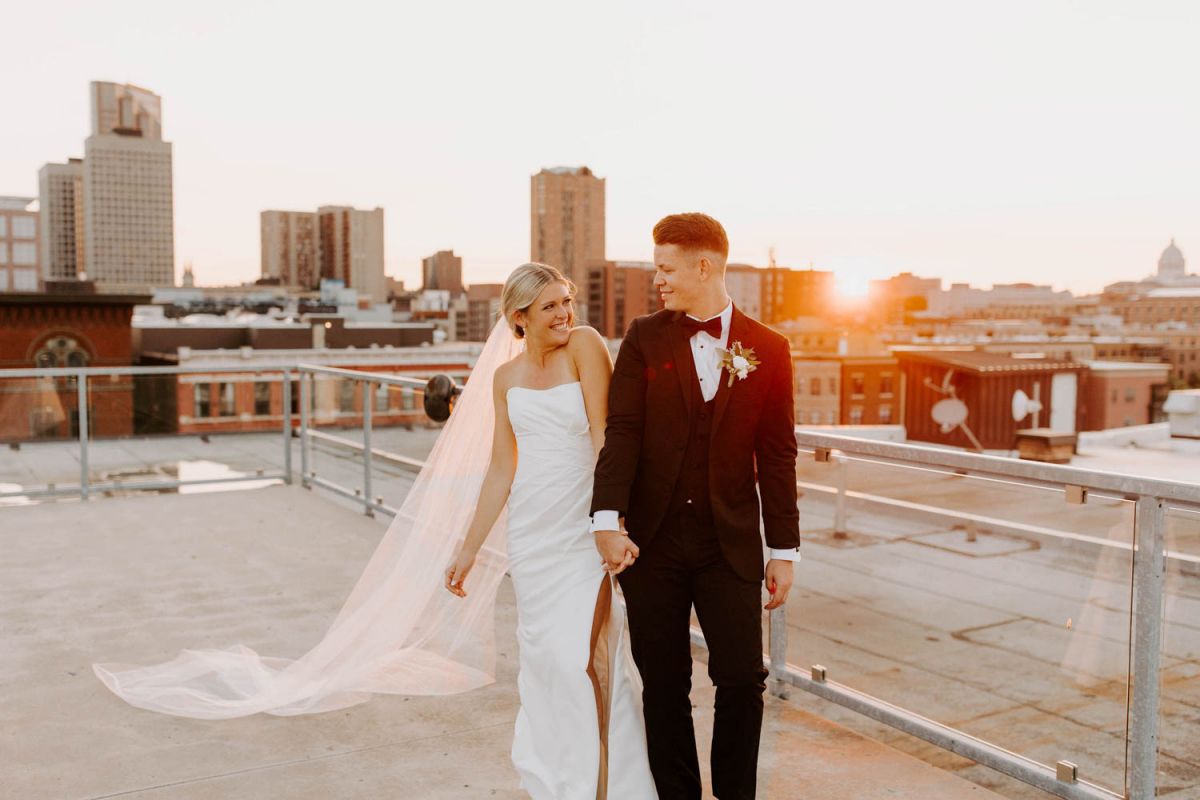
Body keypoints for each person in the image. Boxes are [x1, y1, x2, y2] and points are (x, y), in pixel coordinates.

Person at [591, 213, 801, 800]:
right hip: (651, 545)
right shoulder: (643, 337)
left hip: (728, 545)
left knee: (741, 679)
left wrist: (783, 551)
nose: (657, 280)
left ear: (703, 266)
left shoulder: (769, 349)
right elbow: (623, 432)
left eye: (665, 268)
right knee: (664, 685)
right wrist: (606, 520)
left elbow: (778, 456)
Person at [444, 262, 655, 799]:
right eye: (550, 306)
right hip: (532, 536)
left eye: (567, 301)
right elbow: (500, 468)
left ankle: (616, 785)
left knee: (583, 657)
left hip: (582, 528)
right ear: (519, 317)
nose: (564, 314)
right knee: (545, 661)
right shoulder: (504, 379)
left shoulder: (584, 346)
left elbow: (607, 435)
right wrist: (469, 550)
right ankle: (561, 779)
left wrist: (613, 519)